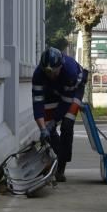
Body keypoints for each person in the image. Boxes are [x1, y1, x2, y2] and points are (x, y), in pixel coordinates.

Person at [32, 47, 89, 182]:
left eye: (54, 72)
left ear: (60, 66)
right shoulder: (39, 74)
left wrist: (54, 121)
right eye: (47, 73)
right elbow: (37, 103)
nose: (51, 75)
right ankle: (57, 158)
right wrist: (43, 128)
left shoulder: (70, 72)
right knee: (47, 128)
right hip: (53, 89)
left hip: (74, 89)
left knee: (67, 125)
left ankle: (61, 168)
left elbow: (65, 102)